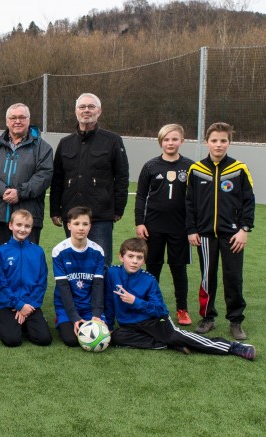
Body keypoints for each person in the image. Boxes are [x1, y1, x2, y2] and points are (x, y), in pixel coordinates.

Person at [107, 238, 255, 361]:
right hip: (129, 325)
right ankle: (171, 344)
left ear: (144, 260)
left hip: (155, 321)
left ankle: (233, 346)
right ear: (121, 257)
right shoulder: (112, 273)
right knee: (116, 337)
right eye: (130, 256)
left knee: (178, 335)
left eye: (139, 258)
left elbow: (160, 310)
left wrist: (135, 301)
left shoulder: (149, 280)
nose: (134, 261)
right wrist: (108, 325)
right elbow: (108, 301)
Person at [0, 103, 53, 308]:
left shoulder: (42, 148)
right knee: (2, 258)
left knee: (28, 260)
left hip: (29, 215)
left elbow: (44, 176)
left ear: (29, 120)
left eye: (22, 117)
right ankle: (1, 296)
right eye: (13, 118)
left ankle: (27, 299)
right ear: (7, 121)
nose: (17, 121)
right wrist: (2, 190)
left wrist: (19, 193)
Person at [186, 122, 254, 340]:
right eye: (214, 140)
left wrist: (244, 229)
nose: (218, 145)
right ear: (207, 142)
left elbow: (248, 203)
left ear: (229, 143)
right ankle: (208, 318)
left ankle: (235, 321)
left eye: (223, 140)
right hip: (204, 235)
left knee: (233, 277)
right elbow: (189, 203)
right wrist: (191, 229)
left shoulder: (239, 169)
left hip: (233, 235)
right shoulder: (196, 170)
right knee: (207, 277)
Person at [49, 93, 129, 266]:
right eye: (82, 107)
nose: (86, 110)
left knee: (101, 263)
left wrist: (118, 209)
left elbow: (122, 177)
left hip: (100, 215)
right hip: (72, 214)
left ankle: (100, 294)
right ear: (75, 111)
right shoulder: (65, 143)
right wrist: (55, 210)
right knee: (75, 263)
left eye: (91, 107)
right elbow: (57, 179)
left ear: (99, 111)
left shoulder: (113, 141)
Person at [134, 124, 195, 326]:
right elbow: (141, 196)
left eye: (174, 139)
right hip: (153, 227)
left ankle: (182, 309)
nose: (170, 143)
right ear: (161, 141)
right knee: (153, 268)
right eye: (166, 139)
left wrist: (192, 226)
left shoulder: (189, 166)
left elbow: (195, 199)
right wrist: (140, 222)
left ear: (182, 141)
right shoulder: (151, 166)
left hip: (180, 228)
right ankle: (152, 306)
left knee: (179, 269)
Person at [0, 209, 52, 347]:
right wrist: (19, 305)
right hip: (9, 304)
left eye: (27, 226)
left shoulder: (38, 251)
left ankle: (27, 323)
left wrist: (27, 305)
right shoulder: (1, 251)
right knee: (12, 341)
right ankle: (2, 323)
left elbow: (41, 282)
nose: (22, 229)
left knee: (44, 339)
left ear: (31, 228)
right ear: (11, 225)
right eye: (19, 225)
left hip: (31, 304)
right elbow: (0, 283)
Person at [51, 206, 106, 347]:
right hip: (67, 306)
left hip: (88, 306)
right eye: (76, 223)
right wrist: (74, 317)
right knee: (71, 340)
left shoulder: (98, 251)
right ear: (69, 226)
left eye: (85, 224)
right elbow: (63, 287)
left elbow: (98, 285)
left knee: (104, 336)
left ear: (90, 227)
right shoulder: (59, 251)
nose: (81, 228)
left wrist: (96, 314)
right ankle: (61, 320)